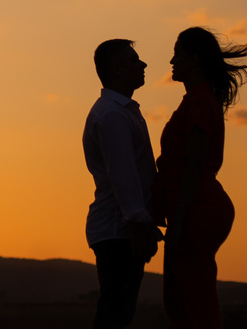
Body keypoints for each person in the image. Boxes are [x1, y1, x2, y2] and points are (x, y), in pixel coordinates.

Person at [154, 27, 247, 329]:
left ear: (196, 59)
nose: (172, 60)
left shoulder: (200, 103)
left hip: (196, 210)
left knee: (192, 300)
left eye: (178, 53)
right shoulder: (196, 101)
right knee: (180, 300)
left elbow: (195, 168)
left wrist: (177, 222)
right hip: (192, 209)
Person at [83, 39, 163, 328]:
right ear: (116, 69)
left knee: (118, 313)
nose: (142, 65)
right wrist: (138, 224)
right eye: (134, 60)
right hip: (119, 231)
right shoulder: (113, 115)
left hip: (121, 229)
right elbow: (123, 175)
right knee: (115, 316)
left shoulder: (121, 111)